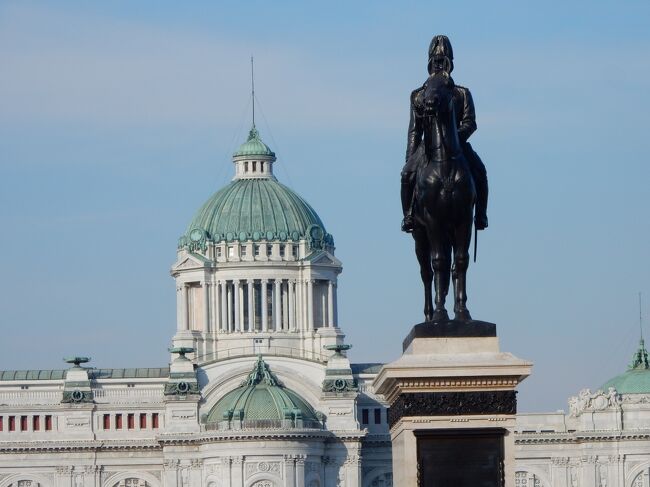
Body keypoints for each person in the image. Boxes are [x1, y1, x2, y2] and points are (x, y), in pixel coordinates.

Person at [401, 35, 489, 233]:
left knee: (480, 171)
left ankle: (481, 214)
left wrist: (456, 137)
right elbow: (414, 131)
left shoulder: (462, 93)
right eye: (436, 60)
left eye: (443, 61)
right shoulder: (418, 95)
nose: (439, 65)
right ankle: (408, 216)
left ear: (450, 62)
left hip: (458, 144)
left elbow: (470, 122)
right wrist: (410, 158)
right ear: (430, 62)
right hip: (428, 146)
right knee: (406, 174)